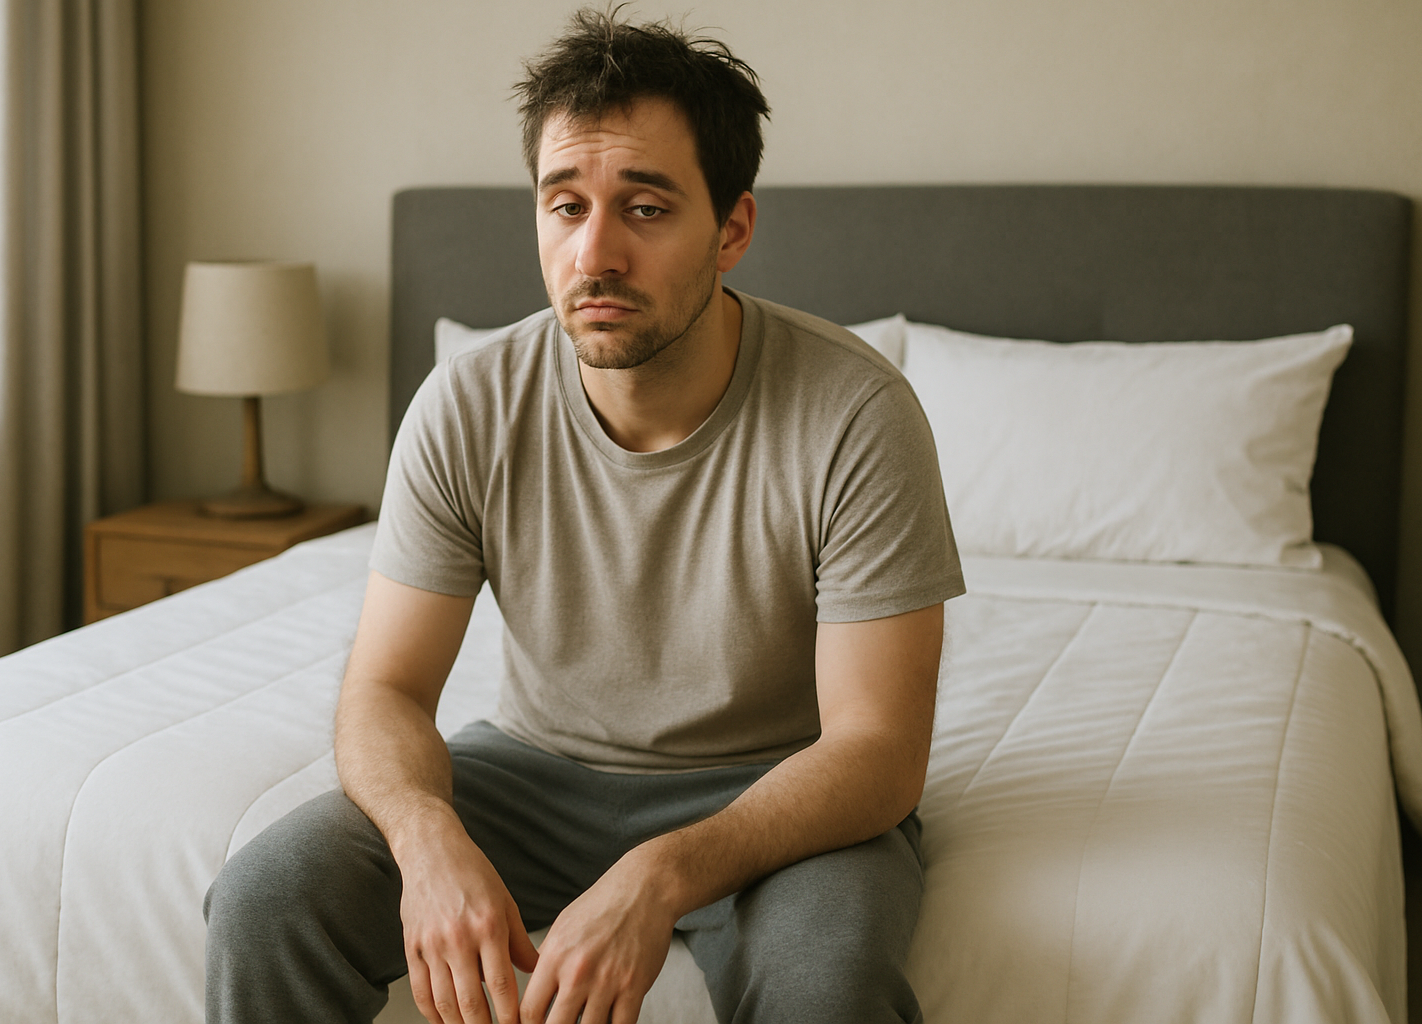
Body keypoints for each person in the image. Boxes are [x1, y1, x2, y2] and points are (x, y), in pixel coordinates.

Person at [203, 9, 963, 1024]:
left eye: (645, 209)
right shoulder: (468, 402)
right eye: (565, 206)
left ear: (732, 227)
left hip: (776, 794)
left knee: (831, 989)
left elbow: (878, 751)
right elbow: (383, 687)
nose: (593, 252)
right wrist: (428, 841)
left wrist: (659, 875)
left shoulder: (856, 413)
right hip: (529, 776)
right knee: (267, 898)